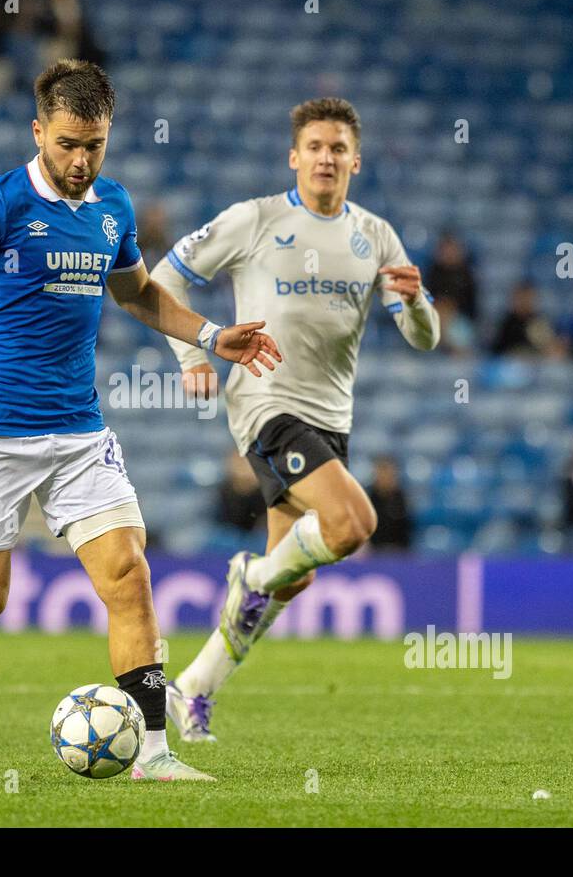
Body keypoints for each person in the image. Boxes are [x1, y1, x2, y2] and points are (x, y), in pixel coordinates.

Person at [0, 59, 280, 781]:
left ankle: (154, 755)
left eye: (93, 145)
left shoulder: (112, 208)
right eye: (66, 143)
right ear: (38, 131)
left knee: (128, 573)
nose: (79, 159)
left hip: (77, 431)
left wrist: (209, 336)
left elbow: (138, 295)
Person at [152, 96, 440, 742]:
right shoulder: (254, 220)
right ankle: (248, 576)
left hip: (331, 416)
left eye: (338, 148)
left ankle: (194, 687)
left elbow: (423, 338)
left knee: (296, 575)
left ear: (355, 161)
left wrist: (418, 303)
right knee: (352, 523)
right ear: (295, 157)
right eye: (315, 146)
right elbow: (164, 279)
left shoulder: (377, 236)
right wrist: (192, 351)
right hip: (265, 401)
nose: (326, 158)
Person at [489, 282, 560, 358]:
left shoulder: (539, 322)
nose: (524, 301)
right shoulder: (506, 324)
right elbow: (496, 351)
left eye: (528, 298)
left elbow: (549, 348)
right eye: (521, 298)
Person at [425, 230, 477, 320]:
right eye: (445, 249)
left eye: (451, 249)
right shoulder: (433, 272)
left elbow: (471, 306)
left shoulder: (466, 274)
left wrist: (450, 307)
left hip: (459, 319)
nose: (448, 253)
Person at [367, 456, 411, 552]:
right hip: (373, 553)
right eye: (381, 472)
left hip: (399, 552)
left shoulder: (402, 498)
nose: (384, 476)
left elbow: (407, 528)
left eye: (388, 472)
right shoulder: (367, 499)